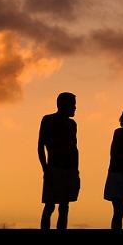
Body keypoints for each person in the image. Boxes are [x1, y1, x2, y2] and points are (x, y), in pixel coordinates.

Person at [38, 92, 80, 230]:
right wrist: (45, 169)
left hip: (69, 169)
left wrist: (76, 171)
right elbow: (40, 146)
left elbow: (74, 148)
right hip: (54, 168)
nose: (75, 108)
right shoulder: (48, 120)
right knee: (50, 205)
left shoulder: (72, 124)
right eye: (73, 105)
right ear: (63, 105)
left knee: (64, 206)